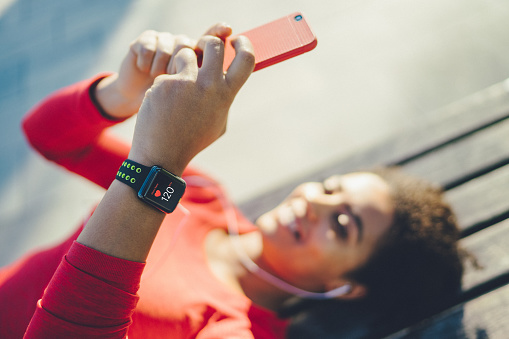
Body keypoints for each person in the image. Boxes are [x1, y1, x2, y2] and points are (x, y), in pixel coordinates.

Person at [0, 23, 463, 339]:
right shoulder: (202, 196)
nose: (314, 205)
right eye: (328, 188)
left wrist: (159, 158)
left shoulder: (233, 328)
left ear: (348, 286)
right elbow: (47, 137)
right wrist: (122, 93)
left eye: (342, 225)